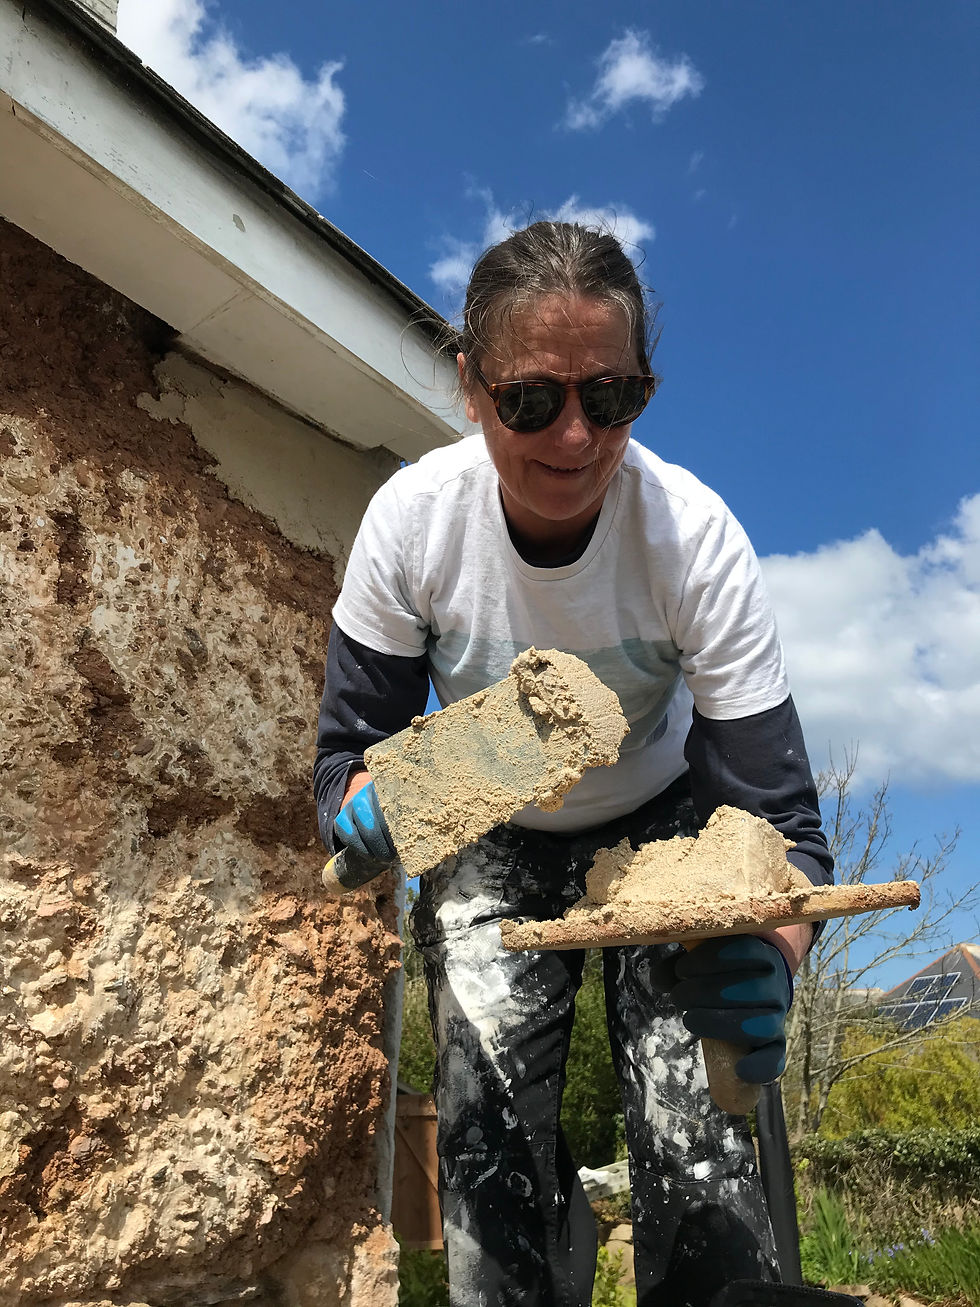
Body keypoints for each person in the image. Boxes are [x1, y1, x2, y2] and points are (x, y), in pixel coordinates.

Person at [314, 221, 833, 1307]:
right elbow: (346, 755)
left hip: (665, 827)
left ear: (640, 390)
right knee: (488, 1123)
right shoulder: (413, 525)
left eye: (608, 398)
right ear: (469, 384)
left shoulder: (691, 539)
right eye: (530, 400)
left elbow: (778, 823)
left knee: (697, 1124)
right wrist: (364, 809)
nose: (571, 438)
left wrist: (771, 957)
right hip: (494, 832)